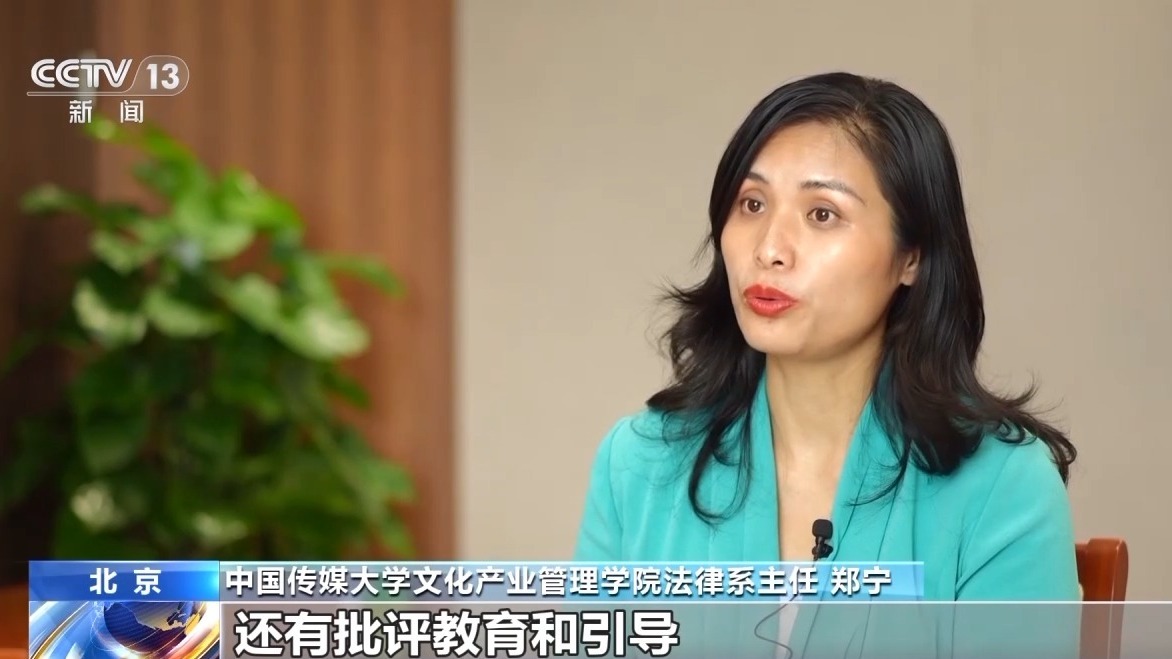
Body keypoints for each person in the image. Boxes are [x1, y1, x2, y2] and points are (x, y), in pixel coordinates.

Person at [574, 72, 1081, 607]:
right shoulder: (637, 463)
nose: (769, 249)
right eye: (752, 204)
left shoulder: (1003, 486)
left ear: (911, 257)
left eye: (822, 214)